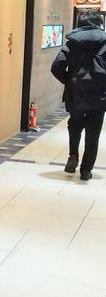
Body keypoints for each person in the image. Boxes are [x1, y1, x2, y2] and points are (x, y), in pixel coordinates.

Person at [51, 12, 106, 180]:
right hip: (99, 96)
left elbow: (56, 67)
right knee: (93, 133)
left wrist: (69, 82)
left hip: (75, 94)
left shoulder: (72, 42)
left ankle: (73, 156)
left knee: (74, 125)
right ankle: (86, 170)